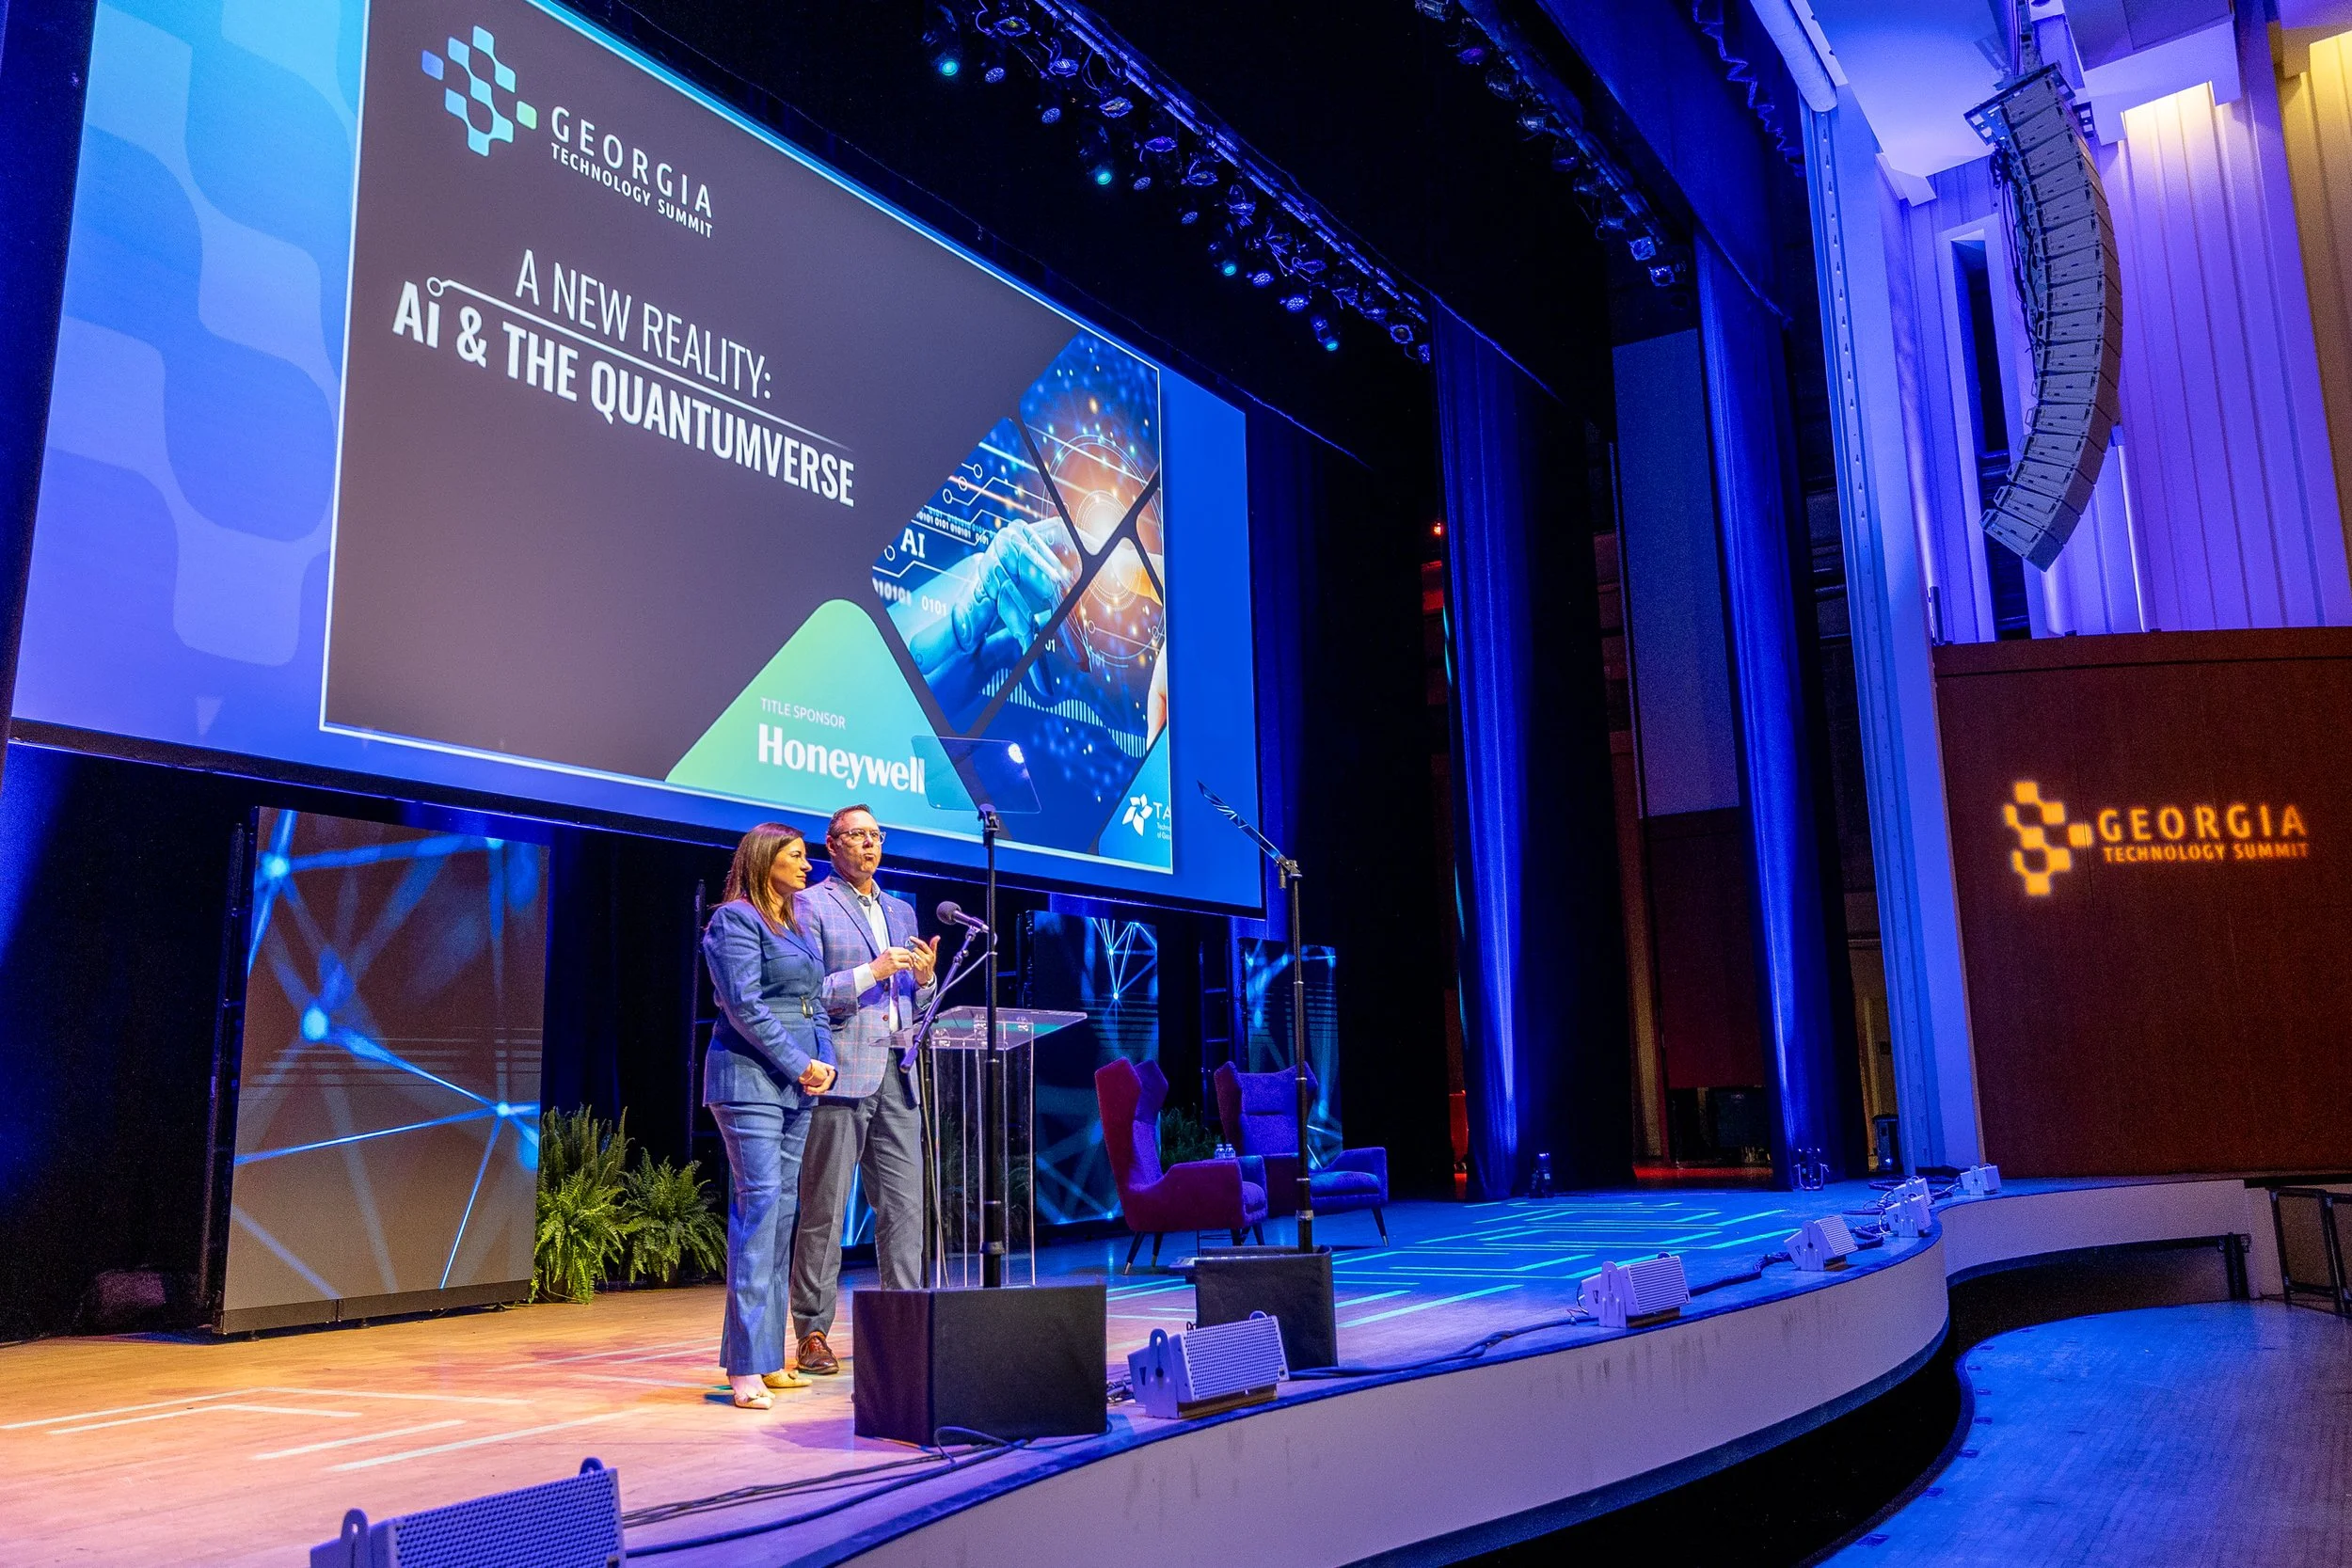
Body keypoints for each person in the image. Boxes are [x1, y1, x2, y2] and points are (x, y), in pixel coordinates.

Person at [787, 804, 940, 1376]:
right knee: (824, 1210)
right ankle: (813, 1332)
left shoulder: (902, 910)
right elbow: (804, 993)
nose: (869, 844)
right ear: (832, 846)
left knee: (903, 1208)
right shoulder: (810, 904)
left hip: (900, 1076)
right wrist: (869, 974)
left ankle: (906, 1324)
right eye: (857, 836)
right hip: (839, 1073)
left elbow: (915, 1007)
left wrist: (924, 982)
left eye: (876, 835)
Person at [702, 822, 838, 1411]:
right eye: (797, 856)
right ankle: (743, 1368)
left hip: (797, 1085)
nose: (808, 867)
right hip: (749, 1081)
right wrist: (798, 1060)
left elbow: (818, 1005)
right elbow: (744, 1006)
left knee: (783, 1214)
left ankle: (768, 1357)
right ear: (764, 861)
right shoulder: (734, 919)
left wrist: (825, 1062)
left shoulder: (799, 926)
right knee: (759, 1211)